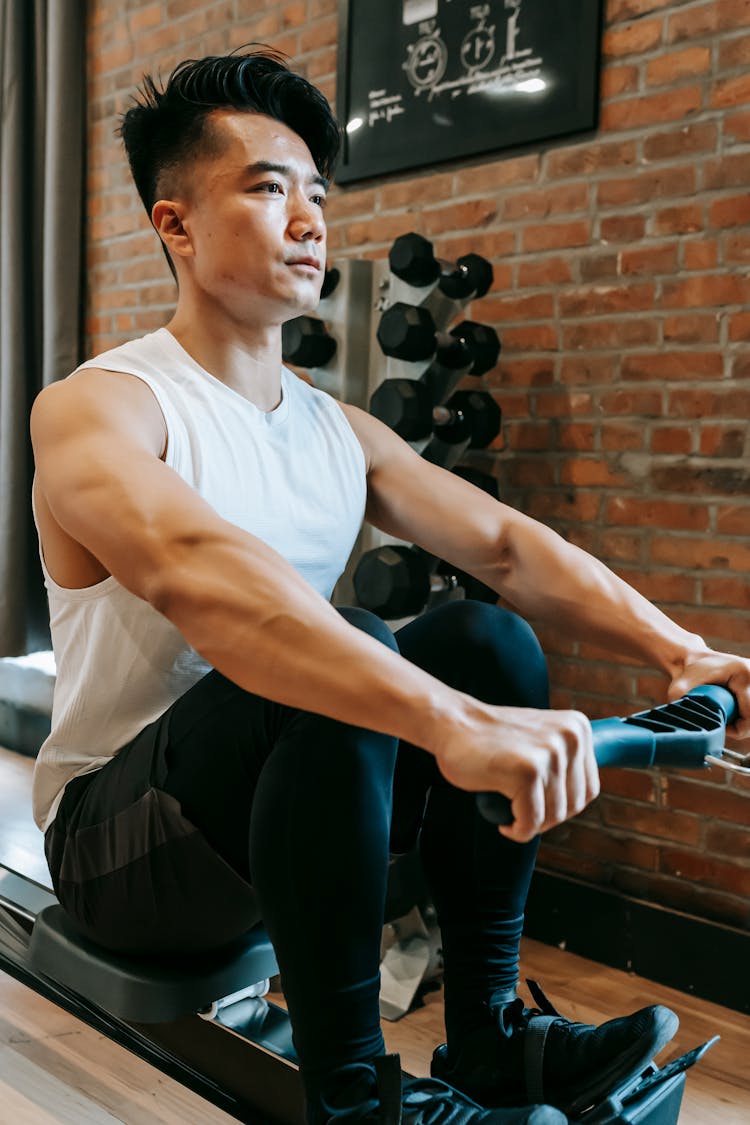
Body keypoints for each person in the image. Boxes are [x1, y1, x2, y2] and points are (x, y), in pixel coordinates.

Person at [29, 50, 749, 1125]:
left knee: (484, 639)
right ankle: (357, 1102)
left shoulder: (337, 429)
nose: (310, 217)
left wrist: (676, 649)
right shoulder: (102, 408)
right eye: (270, 187)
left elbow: (505, 544)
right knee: (344, 641)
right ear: (176, 225)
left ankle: (489, 1043)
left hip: (275, 806)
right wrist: (452, 725)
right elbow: (203, 578)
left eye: (318, 191)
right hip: (120, 848)